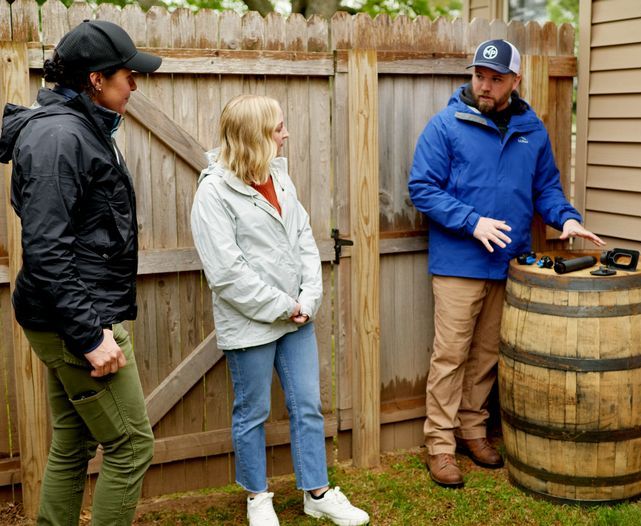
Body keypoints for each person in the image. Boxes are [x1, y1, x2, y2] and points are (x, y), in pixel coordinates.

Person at [408, 39, 605, 488]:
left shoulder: (531, 128)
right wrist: (471, 221)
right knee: (450, 356)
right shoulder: (446, 126)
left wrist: (567, 218)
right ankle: (440, 445)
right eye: (480, 76)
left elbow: (546, 189)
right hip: (460, 262)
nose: (485, 85)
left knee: (486, 357)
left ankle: (473, 431)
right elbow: (421, 188)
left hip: (508, 263)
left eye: (496, 79)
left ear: (516, 81)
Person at [0, 20, 161, 525]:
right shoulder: (59, 138)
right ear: (96, 79)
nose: (134, 84)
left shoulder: (84, 127)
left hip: (70, 313)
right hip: (75, 321)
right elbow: (47, 250)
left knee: (72, 442)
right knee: (132, 447)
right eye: (127, 75)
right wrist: (91, 335)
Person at [190, 94, 369, 526]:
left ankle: (317, 493)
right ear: (255, 136)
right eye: (278, 128)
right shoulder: (213, 193)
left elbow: (304, 241)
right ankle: (257, 497)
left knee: (307, 405)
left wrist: (307, 300)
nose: (286, 134)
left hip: (296, 319)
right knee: (252, 413)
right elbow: (227, 273)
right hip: (251, 324)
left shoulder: (281, 179)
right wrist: (284, 306)